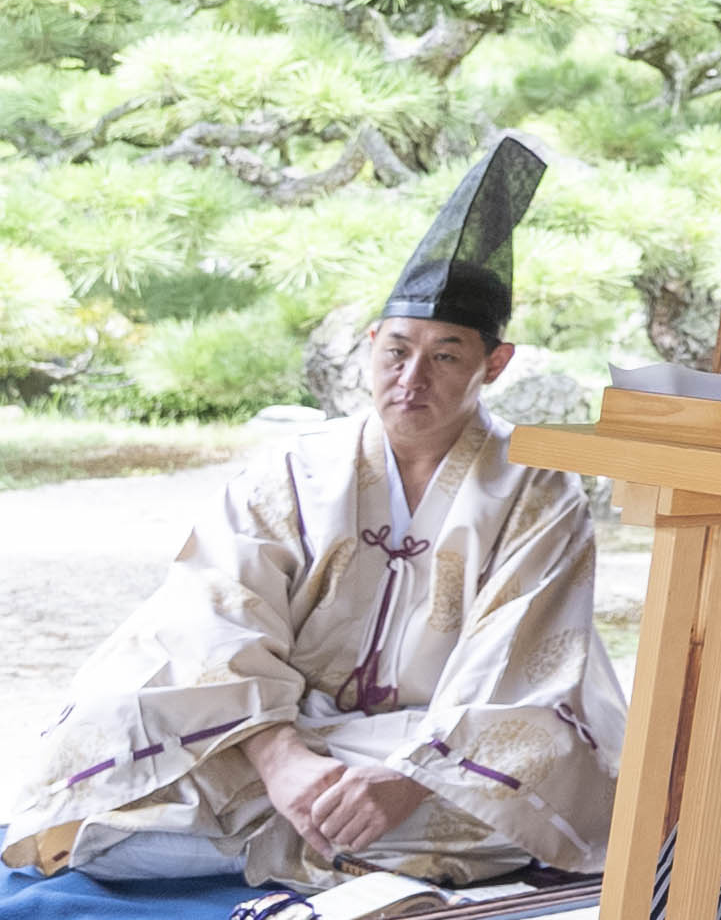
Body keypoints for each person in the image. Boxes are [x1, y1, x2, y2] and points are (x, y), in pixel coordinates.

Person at [3, 140, 624, 887]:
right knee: (103, 732)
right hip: (264, 723)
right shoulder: (293, 469)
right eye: (396, 350)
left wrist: (403, 779)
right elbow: (215, 609)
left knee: (515, 792)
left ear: (496, 363)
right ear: (370, 346)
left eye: (446, 355)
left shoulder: (536, 494)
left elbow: (524, 671)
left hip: (418, 745)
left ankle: (238, 842)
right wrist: (282, 758)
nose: (410, 378)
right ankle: (313, 844)